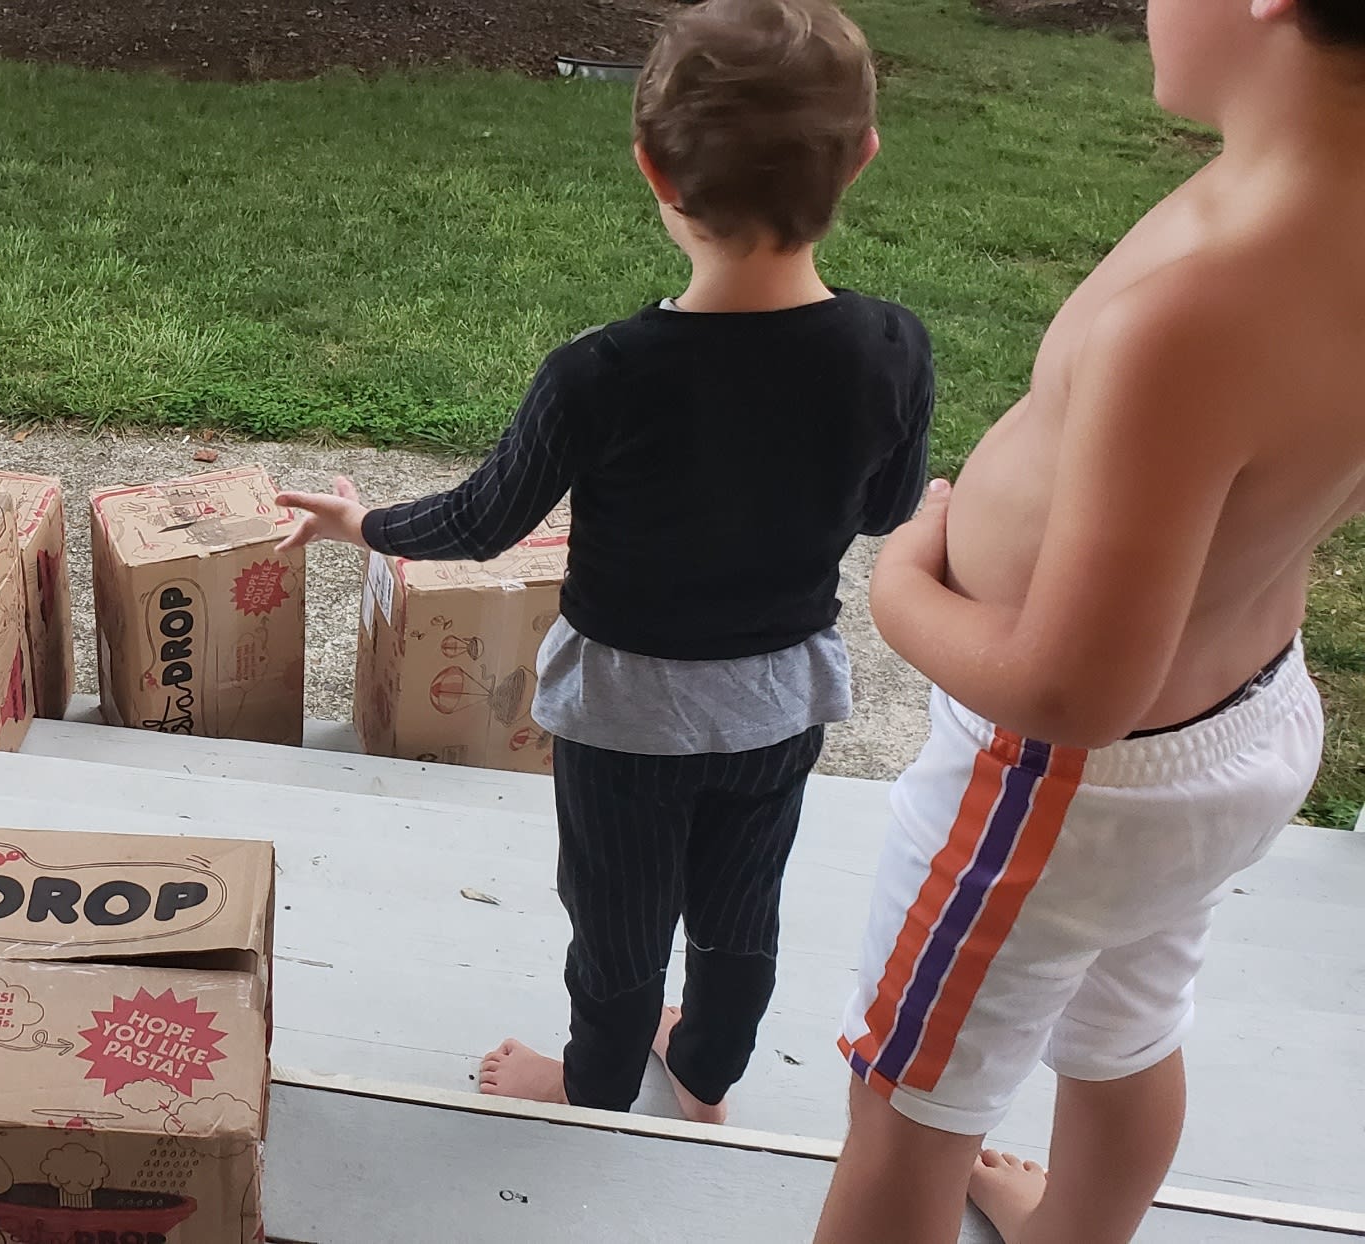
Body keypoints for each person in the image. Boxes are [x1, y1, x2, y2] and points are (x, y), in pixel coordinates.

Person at [277, 0, 931, 1125]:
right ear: (862, 158)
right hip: (779, 701)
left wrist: (364, 524)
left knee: (620, 924)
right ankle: (707, 1076)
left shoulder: (602, 372)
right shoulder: (891, 346)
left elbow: (483, 521)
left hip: (625, 716)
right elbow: (884, 509)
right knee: (739, 915)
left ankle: (592, 1086)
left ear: (652, 168)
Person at [812, 2, 1365, 1240]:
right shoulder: (1313, 216)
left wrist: (901, 585)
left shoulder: (1199, 311)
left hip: (1057, 788)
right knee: (1126, 1028)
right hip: (1236, 728)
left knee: (906, 1101)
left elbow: (1071, 691)